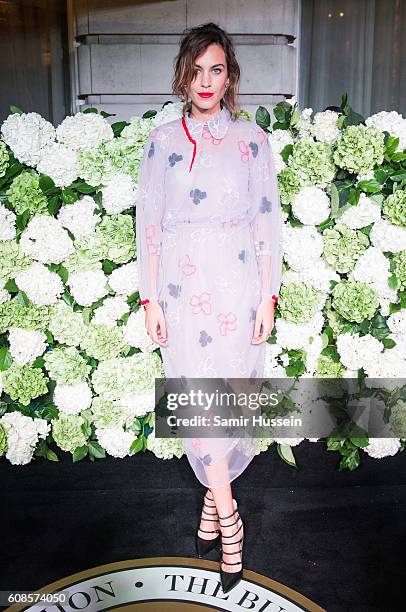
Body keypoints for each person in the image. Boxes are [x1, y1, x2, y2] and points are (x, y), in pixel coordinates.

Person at [136, 22, 283, 593]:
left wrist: (268, 295)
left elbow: (266, 218)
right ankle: (229, 521)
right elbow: (148, 223)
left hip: (237, 287)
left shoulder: (252, 140)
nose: (205, 81)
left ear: (230, 77)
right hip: (179, 290)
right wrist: (149, 297)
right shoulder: (162, 142)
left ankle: (211, 507)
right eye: (196, 70)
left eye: (216, 70)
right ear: (183, 74)